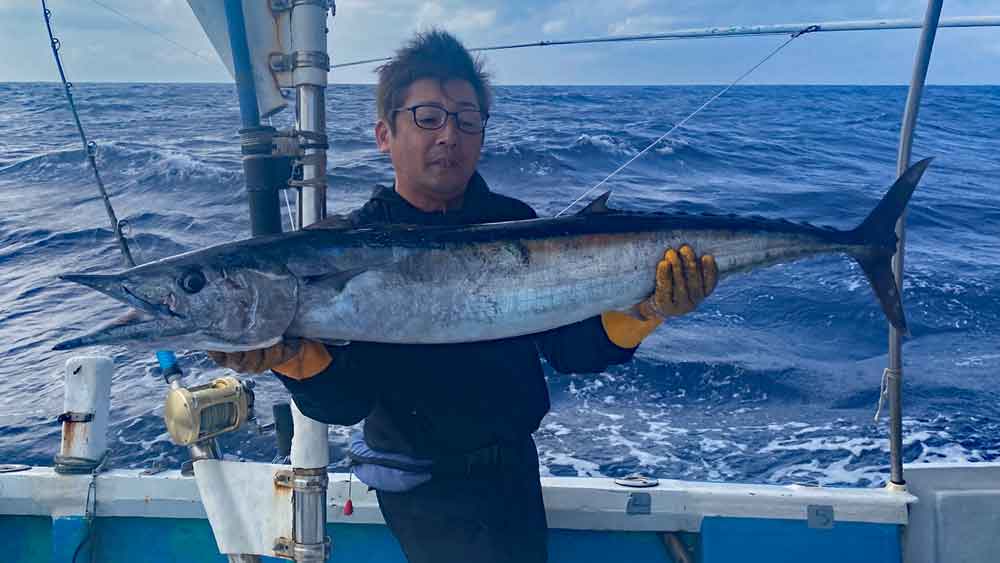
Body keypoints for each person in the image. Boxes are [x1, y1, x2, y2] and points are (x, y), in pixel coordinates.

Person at [210, 30, 717, 563]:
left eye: (466, 119)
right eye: (428, 117)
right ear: (385, 134)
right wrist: (290, 358)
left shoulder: (517, 223)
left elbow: (574, 351)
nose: (449, 135)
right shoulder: (343, 246)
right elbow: (345, 401)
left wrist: (652, 309)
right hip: (423, 487)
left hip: (514, 470)